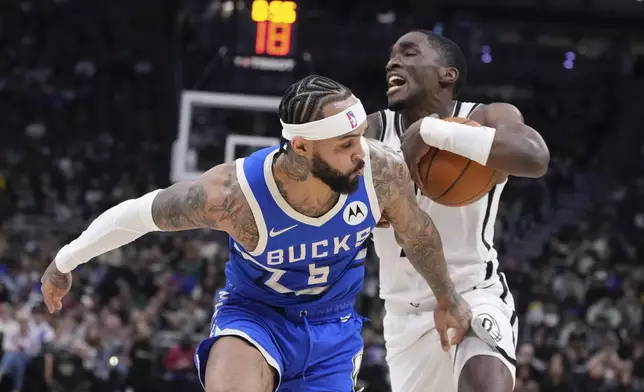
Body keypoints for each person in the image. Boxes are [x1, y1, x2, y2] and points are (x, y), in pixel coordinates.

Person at [40, 75, 472, 392]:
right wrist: (64, 262)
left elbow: (418, 234)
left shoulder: (382, 172)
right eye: (344, 145)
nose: (361, 153)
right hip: (255, 318)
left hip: (333, 327)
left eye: (359, 137)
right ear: (301, 147)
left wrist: (447, 299)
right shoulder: (233, 195)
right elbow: (136, 215)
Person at [366, 30, 550, 392]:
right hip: (404, 314)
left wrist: (433, 132)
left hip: (475, 291)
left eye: (408, 52)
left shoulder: (486, 116)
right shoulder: (372, 128)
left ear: (447, 74)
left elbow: (534, 156)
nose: (392, 62)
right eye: (390, 55)